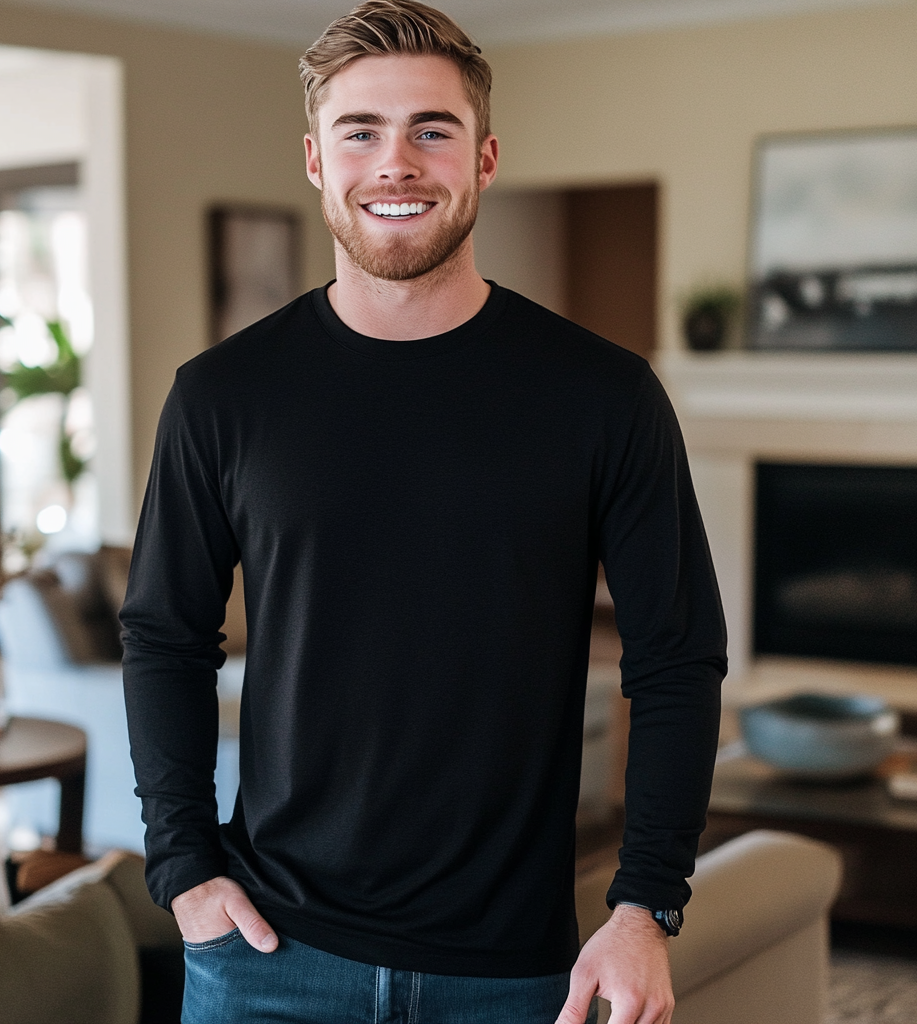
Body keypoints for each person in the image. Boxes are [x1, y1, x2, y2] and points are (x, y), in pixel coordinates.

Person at [120, 3, 727, 1022]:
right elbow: (163, 633)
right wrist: (184, 867)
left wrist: (644, 904)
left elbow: (675, 657)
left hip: (513, 972)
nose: (394, 162)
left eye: (430, 130)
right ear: (315, 159)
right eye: (360, 131)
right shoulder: (222, 395)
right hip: (267, 957)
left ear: (483, 156)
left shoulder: (603, 396)